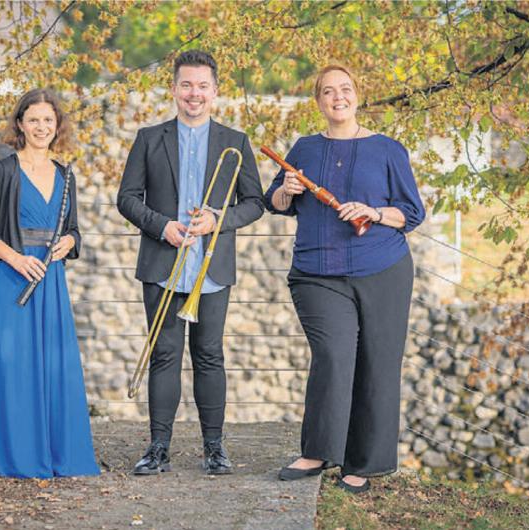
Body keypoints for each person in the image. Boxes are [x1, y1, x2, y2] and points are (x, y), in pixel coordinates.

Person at [264, 65, 425, 493]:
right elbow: (276, 201)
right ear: (318, 101)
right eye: (328, 92)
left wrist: (373, 213)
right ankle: (318, 452)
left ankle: (362, 465)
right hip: (317, 274)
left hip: (384, 270)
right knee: (334, 356)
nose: (338, 97)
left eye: (346, 89)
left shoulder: (389, 150)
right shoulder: (304, 148)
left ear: (358, 95)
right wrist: (288, 190)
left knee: (377, 364)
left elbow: (411, 213)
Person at [117, 50, 264, 475]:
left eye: (202, 86)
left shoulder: (235, 143)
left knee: (209, 356)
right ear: (174, 90)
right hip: (164, 260)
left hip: (211, 268)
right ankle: (158, 448)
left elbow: (255, 203)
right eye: (186, 85)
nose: (194, 94)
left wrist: (219, 219)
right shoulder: (149, 138)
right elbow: (126, 198)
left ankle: (214, 449)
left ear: (215, 92)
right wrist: (162, 226)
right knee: (164, 355)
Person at [0, 88, 99, 478]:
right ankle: (20, 452)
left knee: (53, 366)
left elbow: (73, 229)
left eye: (48, 120)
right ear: (20, 124)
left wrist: (71, 241)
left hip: (51, 281)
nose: (42, 127)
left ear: (58, 127)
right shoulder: (5, 169)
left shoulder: (65, 174)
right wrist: (18, 259)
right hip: (12, 279)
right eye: (34, 119)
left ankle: (58, 452)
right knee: (15, 366)